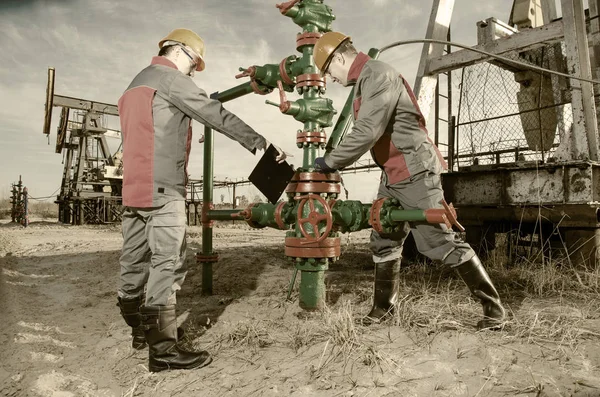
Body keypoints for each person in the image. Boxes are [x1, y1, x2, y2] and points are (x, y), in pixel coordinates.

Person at [116, 28, 288, 372]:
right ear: (179, 52)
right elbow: (214, 113)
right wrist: (259, 142)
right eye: (194, 64)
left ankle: (140, 332)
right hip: (163, 190)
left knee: (134, 261)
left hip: (132, 190)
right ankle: (163, 351)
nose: (194, 71)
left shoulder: (133, 86)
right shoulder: (170, 80)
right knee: (168, 262)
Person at [312, 32, 505, 330]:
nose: (330, 79)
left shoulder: (379, 75)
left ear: (338, 58)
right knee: (383, 235)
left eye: (328, 71)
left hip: (413, 168)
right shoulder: (367, 80)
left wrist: (330, 162)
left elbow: (367, 131)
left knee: (438, 242)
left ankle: (494, 310)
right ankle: (383, 309)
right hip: (393, 171)